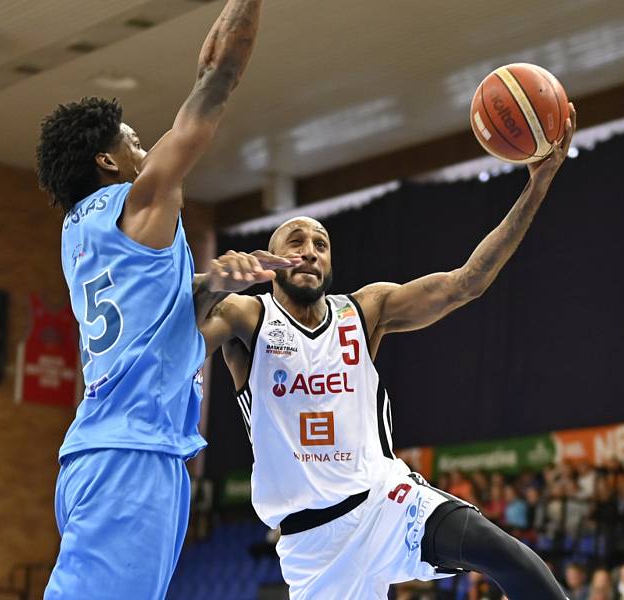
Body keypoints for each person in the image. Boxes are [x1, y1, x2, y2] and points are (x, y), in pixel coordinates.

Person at [198, 106, 577, 598]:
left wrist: (537, 184)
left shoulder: (364, 310)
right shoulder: (248, 317)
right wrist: (210, 284)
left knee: (508, 555)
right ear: (271, 261)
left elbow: (465, 284)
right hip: (313, 547)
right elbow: (180, 327)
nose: (311, 249)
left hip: (386, 502)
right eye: (297, 240)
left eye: (322, 242)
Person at [33, 2, 292, 598]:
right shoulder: (138, 201)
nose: (144, 146)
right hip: (131, 453)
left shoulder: (80, 231)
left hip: (111, 450)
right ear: (107, 162)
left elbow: (151, 320)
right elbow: (217, 80)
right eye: (131, 140)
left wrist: (213, 285)